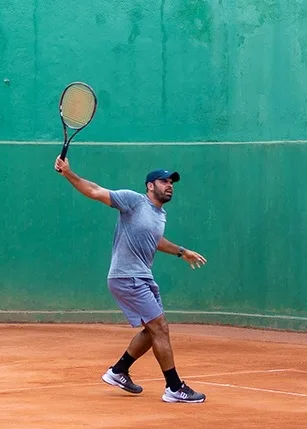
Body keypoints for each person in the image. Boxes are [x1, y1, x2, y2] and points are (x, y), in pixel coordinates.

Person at [54, 156, 207, 403]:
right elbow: (94, 191)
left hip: (143, 276)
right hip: (127, 276)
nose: (170, 185)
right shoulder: (134, 201)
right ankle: (174, 387)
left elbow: (154, 241)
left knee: (152, 329)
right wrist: (69, 173)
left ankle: (119, 371)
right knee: (160, 328)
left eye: (172, 182)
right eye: (164, 181)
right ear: (150, 185)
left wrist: (181, 251)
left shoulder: (160, 215)